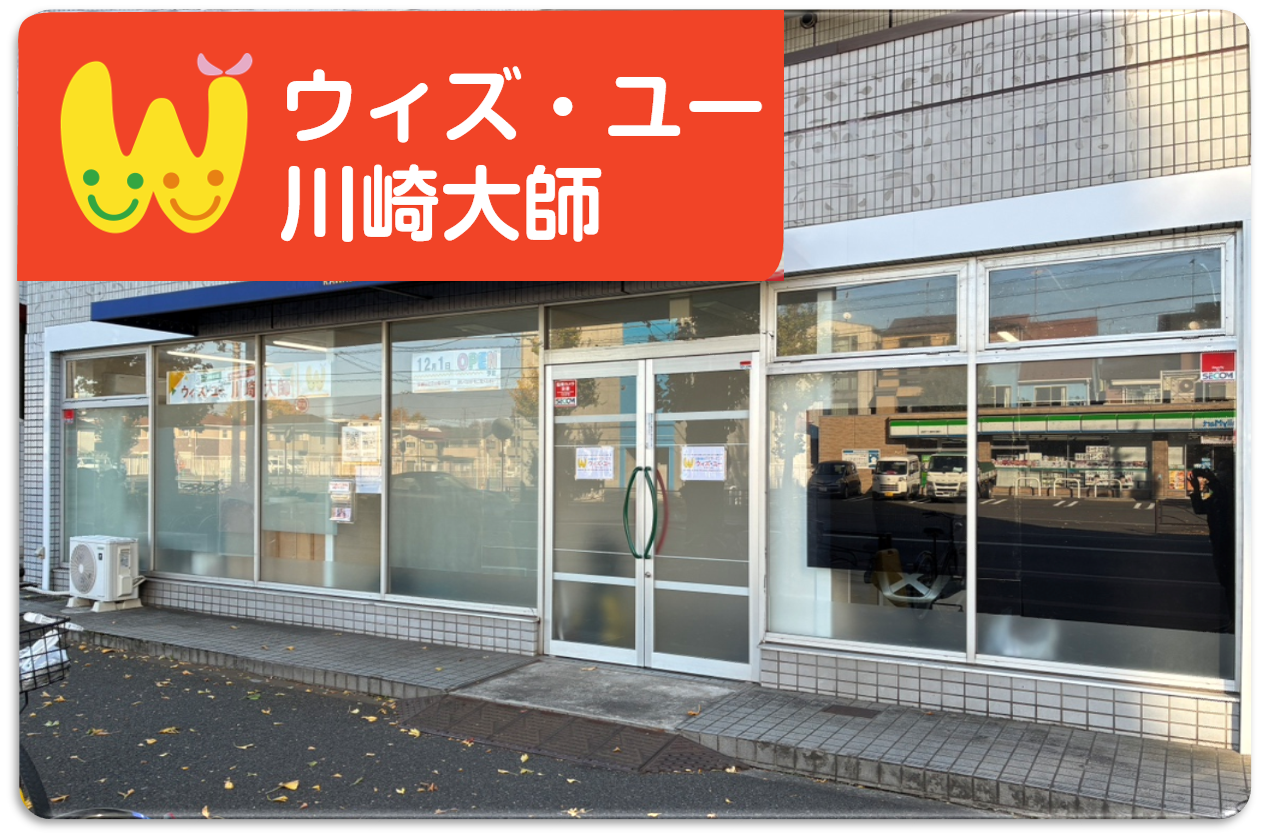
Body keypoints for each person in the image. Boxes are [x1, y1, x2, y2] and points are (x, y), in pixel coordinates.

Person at [1187, 460, 1234, 630]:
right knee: (1225, 581)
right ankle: (1233, 620)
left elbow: (1225, 498)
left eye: (1223, 471)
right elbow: (1200, 508)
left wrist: (1212, 480)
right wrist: (1196, 489)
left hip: (1231, 543)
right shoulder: (1217, 493)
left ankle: (1236, 621)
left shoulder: (1233, 492)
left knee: (1232, 582)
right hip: (1218, 541)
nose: (1220, 474)